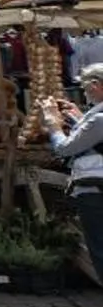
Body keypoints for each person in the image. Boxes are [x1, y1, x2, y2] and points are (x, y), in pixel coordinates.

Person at [41, 62, 103, 285]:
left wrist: (52, 124)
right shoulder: (96, 118)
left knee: (100, 248)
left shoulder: (99, 119)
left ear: (95, 85)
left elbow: (65, 148)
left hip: (95, 188)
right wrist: (79, 117)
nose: (84, 93)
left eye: (85, 88)